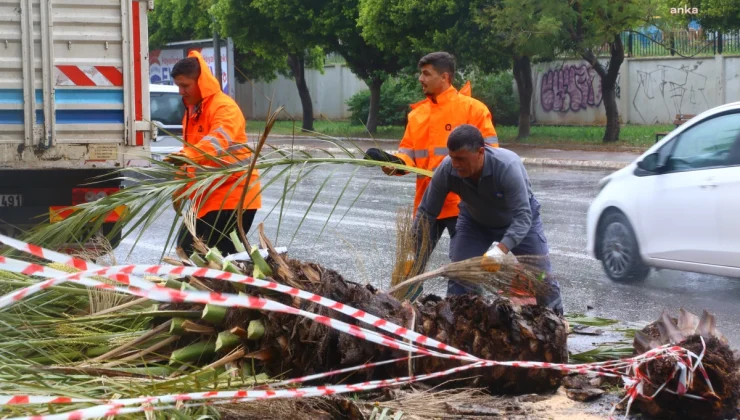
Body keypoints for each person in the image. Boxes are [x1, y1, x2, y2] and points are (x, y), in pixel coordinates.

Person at [370, 52, 498, 283]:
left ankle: (466, 312)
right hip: (427, 205)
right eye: (421, 73)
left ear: (444, 77)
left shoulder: (473, 110)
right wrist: (391, 163)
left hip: (463, 205)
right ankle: (401, 309)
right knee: (408, 270)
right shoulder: (417, 116)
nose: (420, 78)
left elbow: (490, 155)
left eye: (426, 73)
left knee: (463, 272)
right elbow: (408, 157)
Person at [414, 124, 563, 315]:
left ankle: (556, 322)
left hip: (518, 221)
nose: (455, 164)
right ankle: (463, 322)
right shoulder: (447, 169)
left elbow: (523, 217)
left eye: (461, 159)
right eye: (452, 158)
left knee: (541, 276)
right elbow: (427, 212)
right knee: (460, 276)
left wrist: (502, 249)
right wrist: (413, 250)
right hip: (474, 223)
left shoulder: (507, 166)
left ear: (480, 152)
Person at [165, 51, 261, 255]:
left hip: (233, 196)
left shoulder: (224, 108)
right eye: (178, 86)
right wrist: (179, 189)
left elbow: (217, 142)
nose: (181, 92)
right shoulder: (193, 111)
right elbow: (190, 156)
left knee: (207, 256)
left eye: (185, 85)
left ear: (200, 82)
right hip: (209, 197)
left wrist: (188, 156)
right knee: (188, 250)